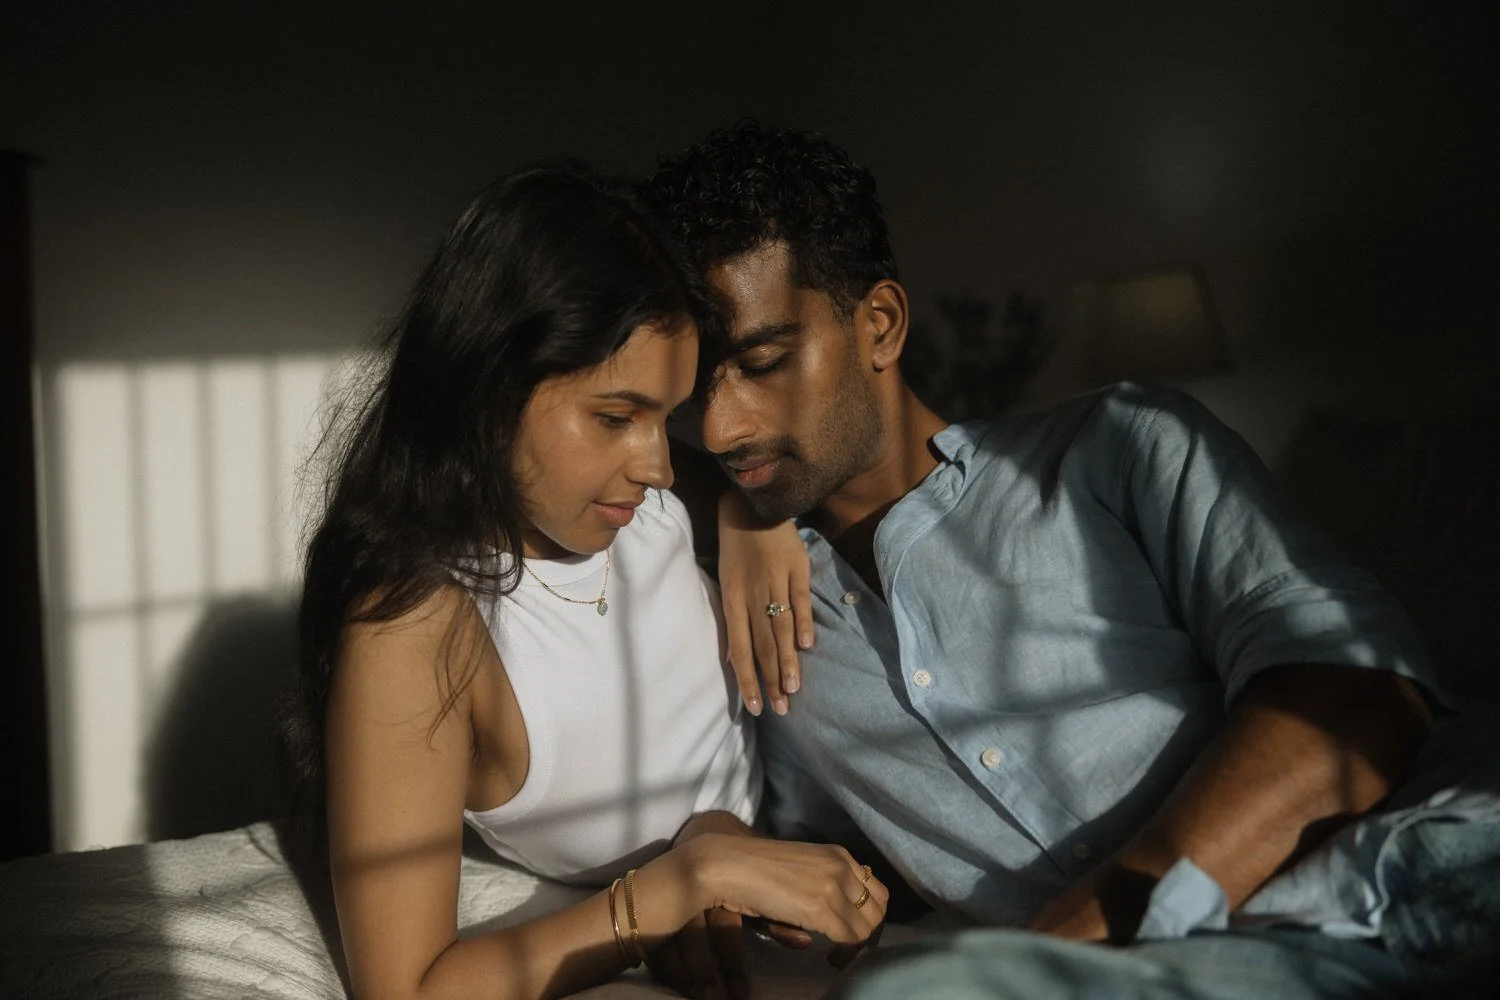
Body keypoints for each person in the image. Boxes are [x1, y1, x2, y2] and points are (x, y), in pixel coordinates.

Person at [647, 123, 1500, 997]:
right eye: (693, 390)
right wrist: (711, 847)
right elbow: (834, 858)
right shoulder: (764, 624)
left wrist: (1068, 945)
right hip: (1235, 972)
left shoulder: (1120, 448)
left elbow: (1358, 692)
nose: (720, 429)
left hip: (1436, 850)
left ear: (881, 325)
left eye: (761, 362)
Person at [284, 161, 887, 1000]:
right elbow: (408, 989)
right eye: (615, 417)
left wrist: (756, 515)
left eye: (664, 418)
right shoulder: (416, 623)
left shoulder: (637, 497)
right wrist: (686, 880)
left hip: (842, 810)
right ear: (489, 387)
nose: (659, 467)